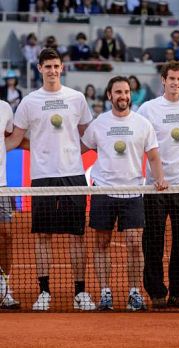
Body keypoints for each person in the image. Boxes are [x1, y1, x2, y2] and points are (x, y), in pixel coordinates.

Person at [5, 48, 95, 311]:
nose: (53, 71)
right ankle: (44, 292)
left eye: (56, 66)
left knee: (76, 236)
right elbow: (14, 138)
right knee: (42, 235)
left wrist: (67, 151)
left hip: (73, 175)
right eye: (48, 67)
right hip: (42, 177)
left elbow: (88, 137)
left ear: (62, 68)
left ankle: (80, 293)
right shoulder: (29, 102)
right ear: (40, 69)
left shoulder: (77, 98)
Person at [81, 76, 167, 311]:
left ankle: (134, 293)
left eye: (126, 91)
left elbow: (153, 156)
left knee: (134, 244)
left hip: (133, 191)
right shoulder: (99, 123)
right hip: (103, 190)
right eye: (118, 92)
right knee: (102, 243)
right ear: (109, 95)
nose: (123, 96)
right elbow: (81, 147)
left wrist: (159, 177)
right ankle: (105, 293)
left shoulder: (142, 123)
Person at [138, 61, 179, 308]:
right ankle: (156, 293)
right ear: (163, 80)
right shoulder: (148, 109)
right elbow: (139, 140)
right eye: (171, 78)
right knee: (153, 240)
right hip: (155, 187)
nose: (175, 83)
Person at [0, 99, 20, 309]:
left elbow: (11, 136)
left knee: (6, 236)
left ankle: (4, 288)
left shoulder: (5, 108)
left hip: (1, 185)